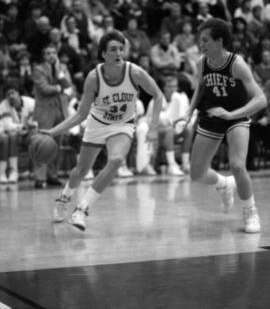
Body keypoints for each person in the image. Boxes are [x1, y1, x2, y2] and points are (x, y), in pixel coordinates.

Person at [41, 30, 163, 231]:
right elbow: (80, 115)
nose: (118, 53)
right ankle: (63, 199)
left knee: (116, 160)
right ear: (103, 54)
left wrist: (153, 127)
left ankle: (82, 209)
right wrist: (53, 132)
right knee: (80, 171)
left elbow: (158, 95)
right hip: (97, 123)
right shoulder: (93, 77)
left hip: (122, 125)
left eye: (121, 49)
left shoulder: (134, 72)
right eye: (113, 49)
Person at [175, 18, 266, 233]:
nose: (201, 44)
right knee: (196, 173)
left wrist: (231, 114)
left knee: (237, 165)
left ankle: (250, 211)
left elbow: (261, 99)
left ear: (219, 41)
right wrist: (188, 113)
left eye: (206, 40)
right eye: (201, 40)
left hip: (236, 118)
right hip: (211, 117)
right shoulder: (202, 63)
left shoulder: (236, 64)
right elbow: (200, 88)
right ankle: (224, 184)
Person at [32, 43, 73, 188]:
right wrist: (59, 88)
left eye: (54, 53)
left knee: (56, 145)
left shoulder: (62, 68)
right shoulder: (38, 69)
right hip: (44, 112)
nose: (51, 56)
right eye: (48, 53)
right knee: (42, 145)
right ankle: (39, 177)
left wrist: (60, 80)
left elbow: (68, 86)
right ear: (44, 56)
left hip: (60, 110)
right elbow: (44, 89)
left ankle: (52, 175)